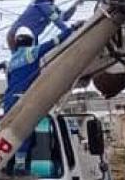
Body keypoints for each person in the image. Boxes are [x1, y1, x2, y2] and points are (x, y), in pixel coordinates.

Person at [4, 23, 78, 171]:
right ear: (31, 41)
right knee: (24, 133)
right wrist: (72, 29)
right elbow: (54, 42)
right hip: (24, 98)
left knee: (9, 134)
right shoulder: (32, 52)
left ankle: (7, 164)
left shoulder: (11, 61)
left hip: (8, 100)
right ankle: (20, 167)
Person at [6, 0, 80, 51]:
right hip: (16, 36)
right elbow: (54, 18)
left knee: (35, 57)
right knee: (24, 58)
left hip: (31, 38)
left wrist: (75, 5)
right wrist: (68, 32)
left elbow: (64, 17)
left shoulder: (51, 6)